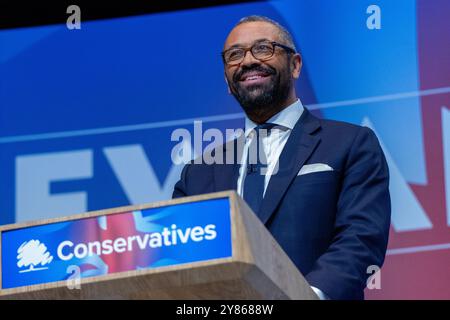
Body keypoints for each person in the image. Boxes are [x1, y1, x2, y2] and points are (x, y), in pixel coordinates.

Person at [172, 15, 391, 300]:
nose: (248, 61)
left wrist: (305, 296)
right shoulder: (198, 172)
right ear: (227, 80)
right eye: (234, 55)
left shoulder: (351, 144)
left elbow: (360, 238)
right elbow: (180, 258)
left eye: (263, 48)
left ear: (295, 65)